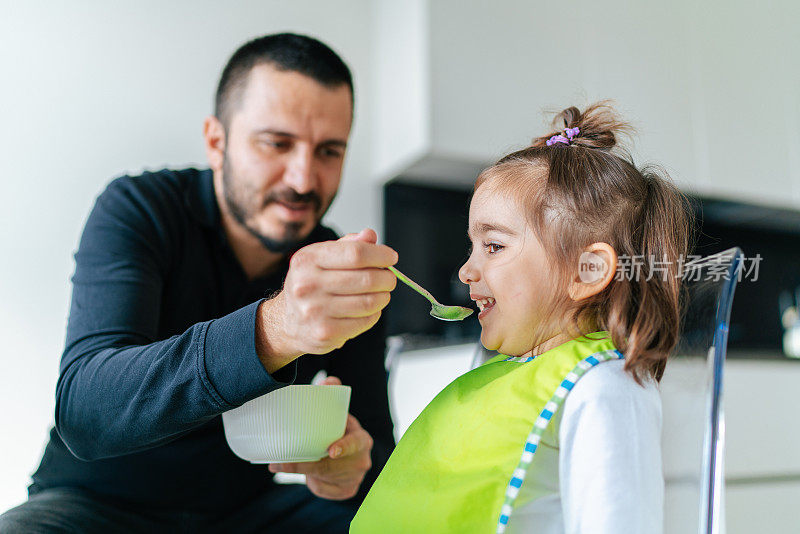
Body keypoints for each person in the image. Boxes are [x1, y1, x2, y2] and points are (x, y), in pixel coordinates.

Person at [0, 33, 398, 533]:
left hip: (246, 512)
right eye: (276, 143)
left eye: (329, 151)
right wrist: (273, 330)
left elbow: (381, 457)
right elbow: (85, 410)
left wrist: (352, 468)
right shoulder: (139, 209)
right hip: (93, 503)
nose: (302, 179)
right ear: (217, 141)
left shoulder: (334, 264)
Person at [351, 102, 693, 533]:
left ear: (586, 271)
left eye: (493, 247)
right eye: (473, 246)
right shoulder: (504, 375)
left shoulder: (606, 386)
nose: (465, 270)